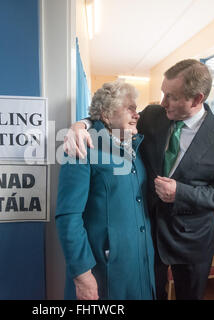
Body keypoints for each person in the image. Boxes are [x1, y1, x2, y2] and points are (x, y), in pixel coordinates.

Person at [64, 59, 214, 300]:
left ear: (197, 99)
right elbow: (106, 116)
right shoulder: (152, 116)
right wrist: (79, 125)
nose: (162, 102)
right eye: (163, 93)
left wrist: (181, 193)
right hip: (148, 238)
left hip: (191, 243)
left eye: (170, 96)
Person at [56, 81, 155, 300]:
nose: (136, 114)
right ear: (107, 115)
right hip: (105, 269)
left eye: (136, 108)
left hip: (139, 265)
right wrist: (82, 275)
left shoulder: (135, 148)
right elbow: (68, 217)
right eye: (129, 108)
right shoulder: (82, 147)